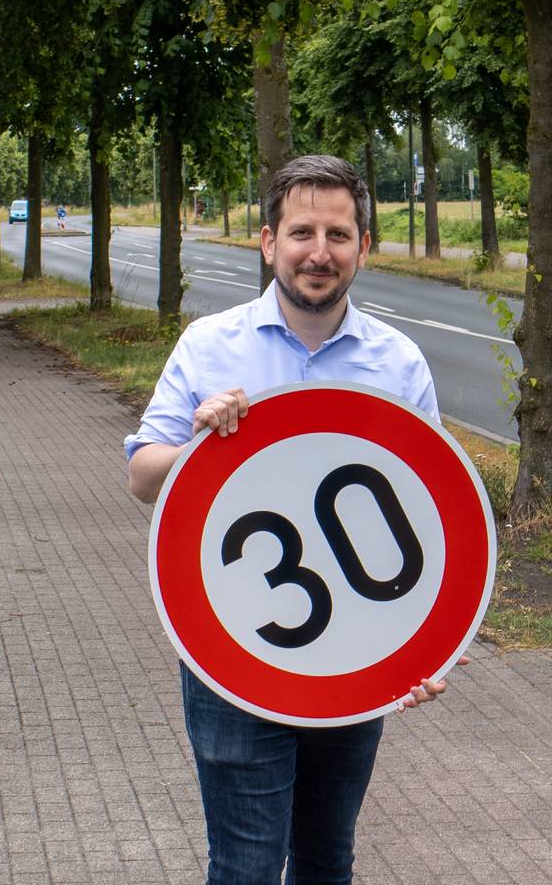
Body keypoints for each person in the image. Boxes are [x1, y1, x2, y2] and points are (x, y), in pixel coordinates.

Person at [125, 154, 452, 885]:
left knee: (326, 861)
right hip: (233, 657)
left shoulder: (397, 364)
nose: (319, 252)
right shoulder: (211, 345)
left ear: (364, 247)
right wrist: (194, 450)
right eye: (301, 231)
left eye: (339, 234)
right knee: (244, 867)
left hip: (350, 659)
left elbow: (430, 520)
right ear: (268, 242)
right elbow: (142, 476)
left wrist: (428, 650)